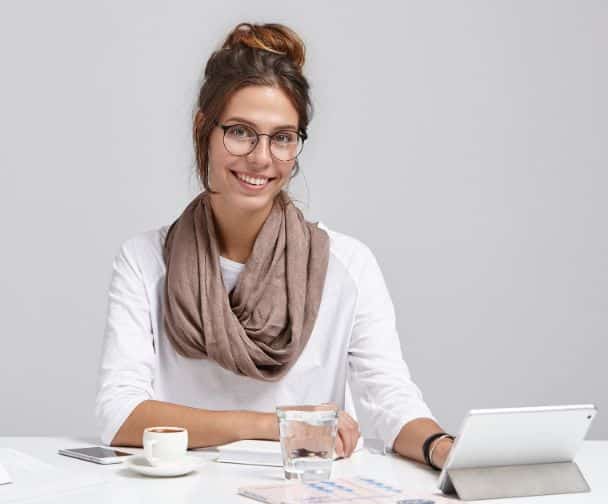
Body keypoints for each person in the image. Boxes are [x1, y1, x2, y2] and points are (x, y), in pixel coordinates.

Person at [95, 22, 454, 470]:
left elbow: (392, 401)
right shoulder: (146, 261)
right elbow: (120, 415)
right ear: (203, 129)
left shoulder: (347, 264)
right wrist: (275, 423)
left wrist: (443, 447)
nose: (262, 158)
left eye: (283, 137)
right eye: (241, 131)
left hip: (303, 491)